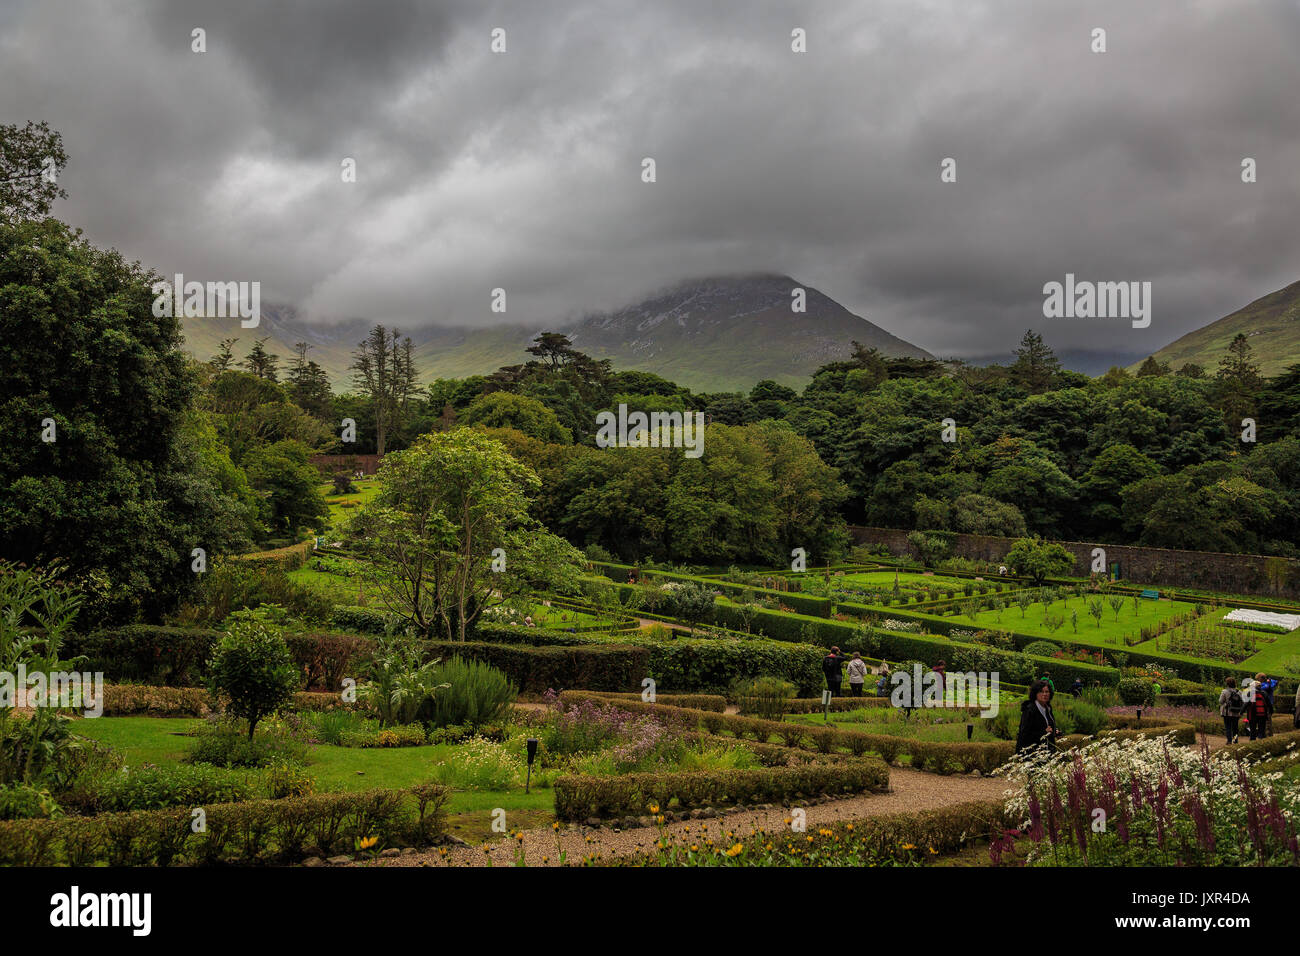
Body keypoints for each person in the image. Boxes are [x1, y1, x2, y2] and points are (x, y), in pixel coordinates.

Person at [1015, 680, 1061, 755]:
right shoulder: (1029, 710)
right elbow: (1024, 734)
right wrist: (1043, 733)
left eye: (1047, 692)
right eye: (1041, 692)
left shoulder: (1048, 708)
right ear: (1035, 693)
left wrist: (1055, 732)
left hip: (1046, 752)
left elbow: (1047, 725)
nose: (1044, 694)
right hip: (1031, 754)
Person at [1246, 673, 1273, 741]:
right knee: (1262, 730)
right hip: (1263, 713)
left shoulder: (1251, 692)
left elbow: (1246, 704)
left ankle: (1253, 743)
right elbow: (1269, 703)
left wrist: (1241, 712)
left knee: (1253, 730)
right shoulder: (1264, 691)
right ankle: (1262, 742)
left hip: (1253, 714)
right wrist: (1271, 711)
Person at [1218, 677, 1244, 745]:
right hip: (1236, 712)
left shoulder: (1225, 691)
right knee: (1235, 727)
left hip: (1227, 712)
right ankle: (1235, 740)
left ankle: (1229, 741)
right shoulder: (1239, 692)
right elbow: (1243, 702)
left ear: (1227, 684)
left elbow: (1220, 701)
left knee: (1228, 727)